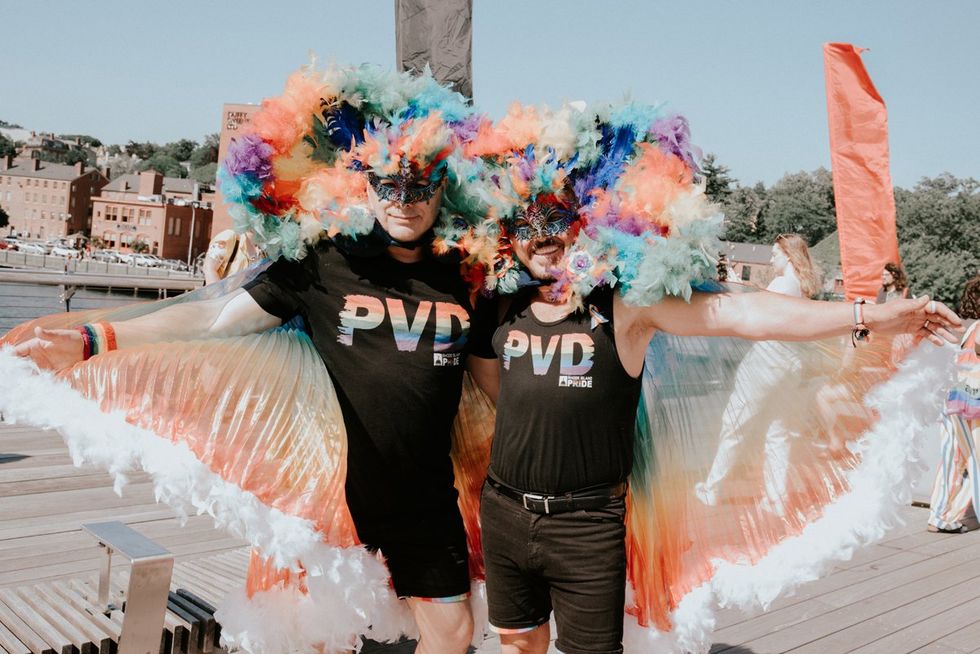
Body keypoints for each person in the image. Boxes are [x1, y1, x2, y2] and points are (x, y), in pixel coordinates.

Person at [10, 64, 498, 654]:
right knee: (317, 637)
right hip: (329, 499)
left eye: (421, 185)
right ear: (363, 183)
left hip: (426, 499)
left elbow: (496, 387)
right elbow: (212, 318)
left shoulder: (465, 277)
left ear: (446, 186)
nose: (404, 201)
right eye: (388, 183)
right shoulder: (326, 261)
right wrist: (94, 340)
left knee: (453, 634)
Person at [465, 102, 962, 654]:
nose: (541, 237)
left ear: (588, 221)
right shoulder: (497, 309)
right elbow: (502, 395)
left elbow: (745, 314)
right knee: (518, 644)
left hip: (586, 523)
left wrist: (869, 315)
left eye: (556, 219)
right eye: (525, 225)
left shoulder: (624, 306)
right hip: (504, 511)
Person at [695, 233, 821, 514]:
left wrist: (731, 284)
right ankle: (776, 499)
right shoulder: (801, 288)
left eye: (775, 254)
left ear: (788, 255)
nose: (771, 259)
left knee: (735, 424)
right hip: (791, 365)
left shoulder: (782, 284)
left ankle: (712, 489)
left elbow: (753, 313)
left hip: (766, 363)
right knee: (779, 432)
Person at [927, 275, 980, 534]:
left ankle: (940, 515)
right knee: (973, 458)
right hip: (972, 401)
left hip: (954, 397)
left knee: (953, 457)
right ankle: (949, 514)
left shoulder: (970, 326)